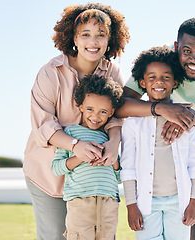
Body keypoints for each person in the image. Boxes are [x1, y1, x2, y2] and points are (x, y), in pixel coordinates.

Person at [117, 18, 195, 240]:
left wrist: (185, 116)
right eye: (187, 50)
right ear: (176, 47)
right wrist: (163, 109)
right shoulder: (159, 62)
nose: (194, 59)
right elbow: (122, 105)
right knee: (179, 207)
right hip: (163, 128)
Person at [23, 3, 130, 240]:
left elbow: (117, 117)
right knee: (55, 236)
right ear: (74, 37)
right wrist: (75, 145)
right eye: (86, 34)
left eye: (101, 35)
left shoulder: (113, 73)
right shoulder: (51, 72)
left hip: (91, 180)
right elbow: (43, 125)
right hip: (48, 174)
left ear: (110, 39)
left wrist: (113, 143)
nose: (93, 41)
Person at [120, 46, 195, 239]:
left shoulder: (185, 119)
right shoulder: (133, 123)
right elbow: (128, 167)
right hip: (145, 205)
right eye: (152, 77)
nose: (159, 81)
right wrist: (131, 205)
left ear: (175, 82)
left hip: (180, 203)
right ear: (142, 82)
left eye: (166, 77)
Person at [51, 74, 124, 240]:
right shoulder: (70, 133)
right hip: (80, 202)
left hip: (109, 203)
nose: (95, 116)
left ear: (111, 112)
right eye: (90, 109)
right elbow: (56, 168)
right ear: (81, 106)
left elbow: (119, 177)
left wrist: (113, 161)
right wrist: (80, 156)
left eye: (103, 112)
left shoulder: (109, 139)